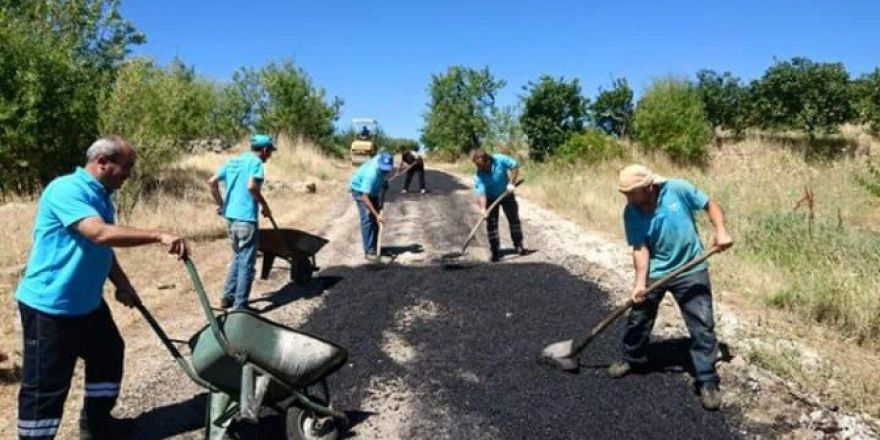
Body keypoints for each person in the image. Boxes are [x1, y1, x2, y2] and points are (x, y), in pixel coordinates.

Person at [15, 136, 189, 439]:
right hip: (51, 307)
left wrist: (122, 284)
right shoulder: (66, 189)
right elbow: (99, 234)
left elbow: (101, 248)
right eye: (127, 166)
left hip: (88, 304)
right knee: (46, 387)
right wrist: (158, 235)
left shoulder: (102, 195)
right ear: (103, 162)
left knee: (108, 355)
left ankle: (98, 426)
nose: (130, 174)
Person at [608, 164, 733, 411]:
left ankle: (707, 380)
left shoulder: (678, 189)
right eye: (625, 193)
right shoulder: (631, 211)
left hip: (691, 267)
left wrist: (721, 232)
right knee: (639, 316)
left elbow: (710, 205)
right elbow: (640, 248)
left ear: (648, 187)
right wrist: (640, 284)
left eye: (632, 193)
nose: (628, 198)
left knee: (702, 323)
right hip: (657, 270)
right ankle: (632, 358)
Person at [208, 134, 275, 310]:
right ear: (264, 150)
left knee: (238, 257)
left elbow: (212, 181)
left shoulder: (233, 161)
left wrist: (222, 204)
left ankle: (227, 297)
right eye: (270, 152)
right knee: (247, 263)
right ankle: (240, 306)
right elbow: (252, 186)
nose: (269, 156)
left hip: (231, 219)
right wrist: (265, 206)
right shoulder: (256, 163)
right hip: (246, 219)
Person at [472, 149, 527, 262]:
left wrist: (511, 183)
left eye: (482, 166)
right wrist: (483, 209)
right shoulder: (479, 174)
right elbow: (481, 193)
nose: (481, 169)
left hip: (506, 194)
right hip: (490, 198)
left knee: (513, 219)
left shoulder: (500, 159)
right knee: (491, 224)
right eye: (478, 167)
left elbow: (515, 166)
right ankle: (495, 251)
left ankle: (518, 245)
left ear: (488, 160)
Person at [350, 151, 394, 260]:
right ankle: (369, 251)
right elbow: (365, 197)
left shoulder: (383, 160)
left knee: (375, 221)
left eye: (387, 169)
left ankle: (375, 247)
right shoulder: (371, 174)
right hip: (360, 190)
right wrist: (376, 215)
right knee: (368, 219)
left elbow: (383, 177)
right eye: (383, 169)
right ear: (379, 163)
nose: (385, 171)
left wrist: (384, 182)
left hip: (373, 191)